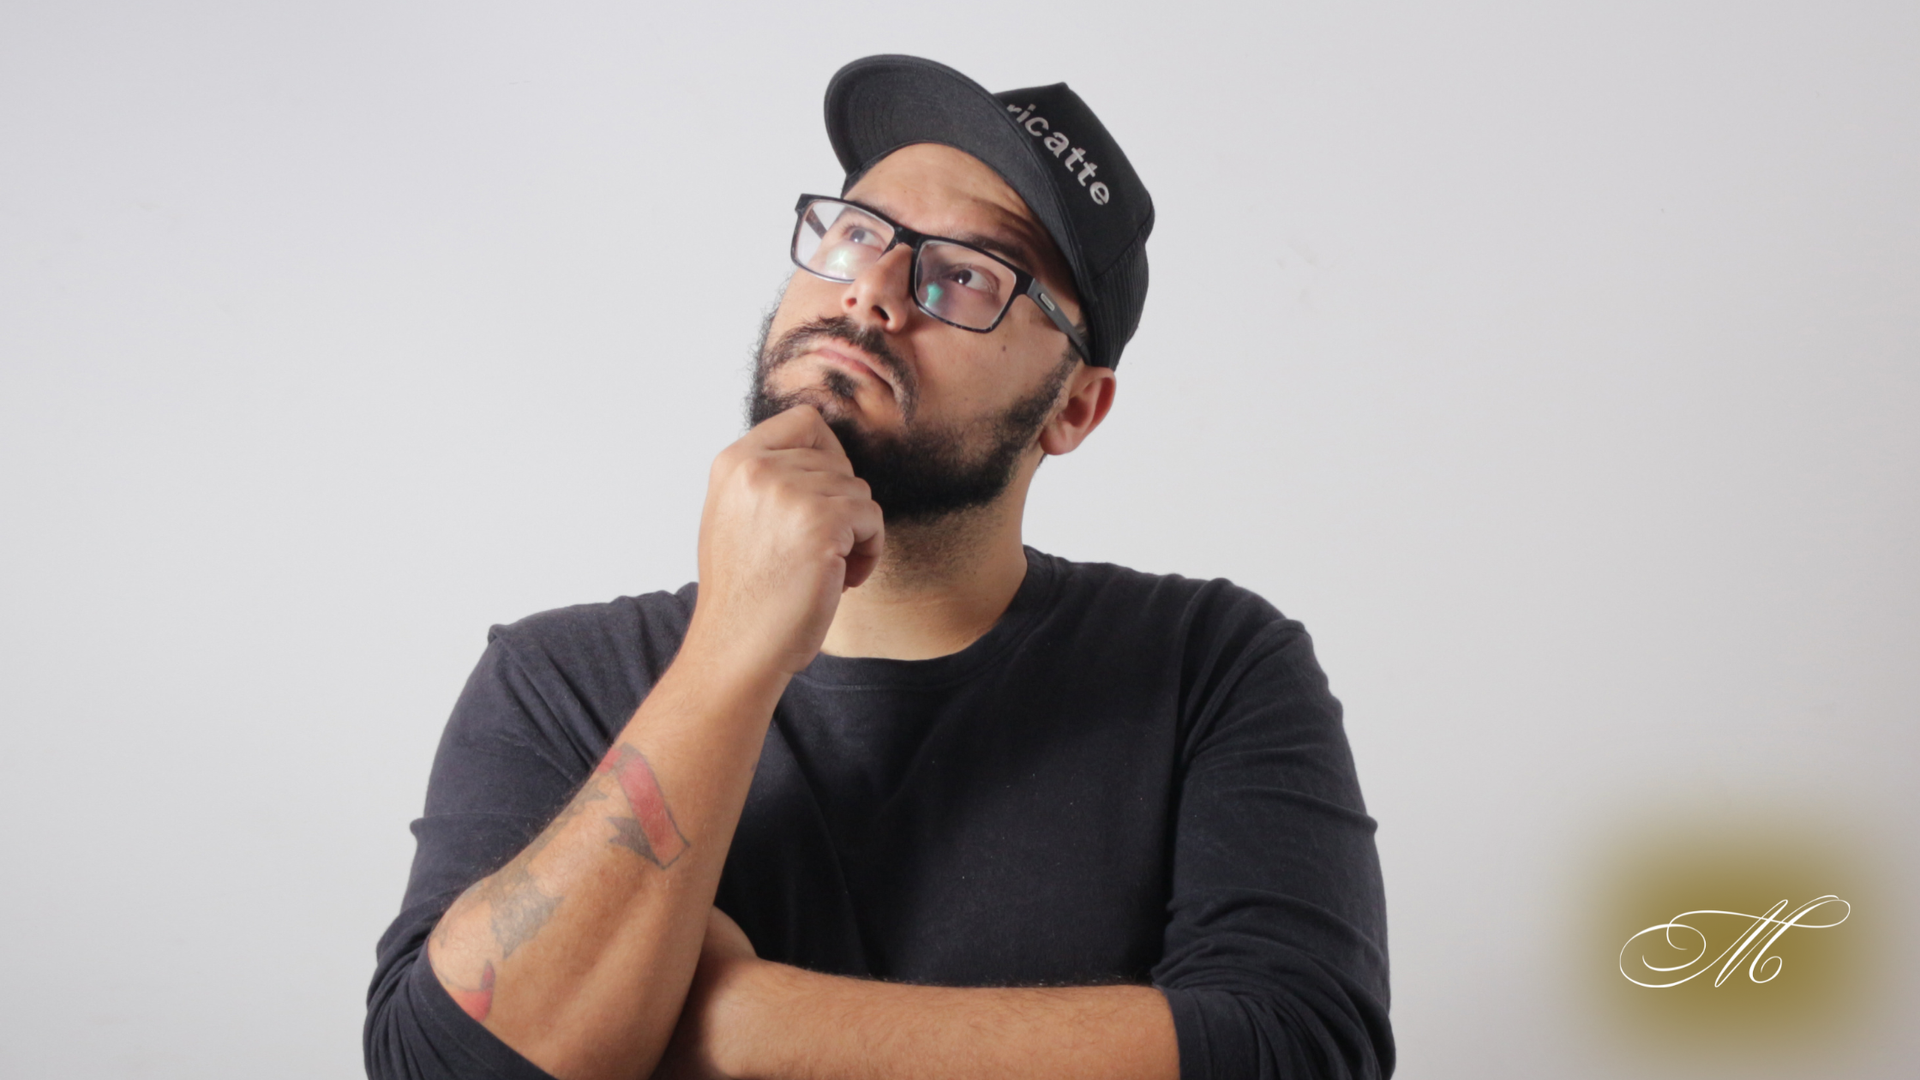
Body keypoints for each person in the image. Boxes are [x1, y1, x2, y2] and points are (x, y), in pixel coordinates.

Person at [364, 54, 1393, 1080]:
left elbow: (1301, 1050)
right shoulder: (558, 678)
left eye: (968, 275)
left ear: (1074, 407)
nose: (873, 290)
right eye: (858, 232)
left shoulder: (1209, 667)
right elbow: (439, 1067)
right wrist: (729, 652)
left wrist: (731, 1018)